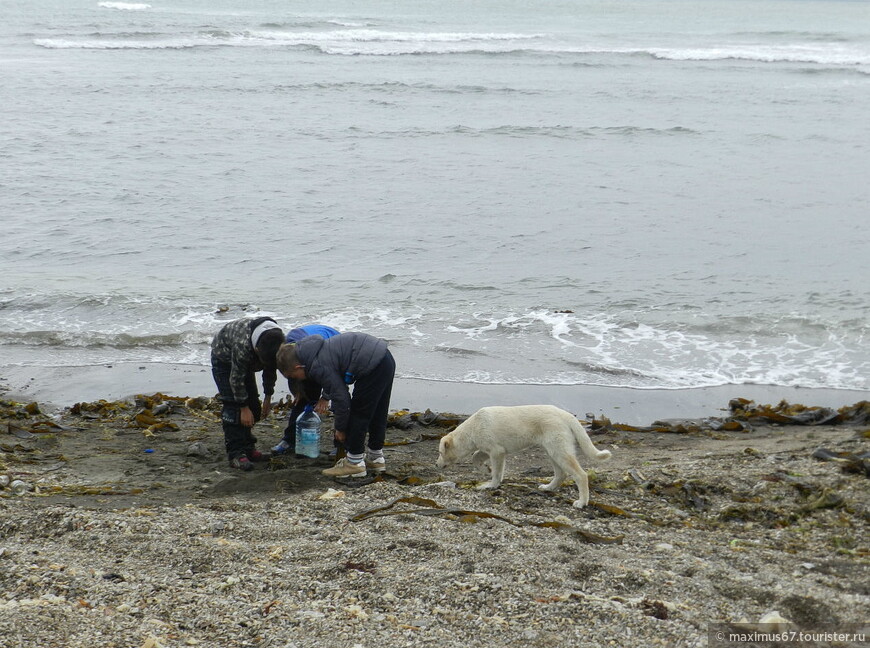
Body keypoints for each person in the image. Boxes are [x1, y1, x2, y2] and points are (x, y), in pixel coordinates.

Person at [276, 332, 395, 478]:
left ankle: (354, 463)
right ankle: (375, 458)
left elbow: (342, 399)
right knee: (378, 412)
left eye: (293, 377)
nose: (297, 380)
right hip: (385, 357)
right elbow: (333, 381)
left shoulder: (316, 365)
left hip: (371, 364)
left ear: (298, 367)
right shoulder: (314, 351)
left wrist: (340, 428)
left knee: (359, 413)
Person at [210, 317, 284, 470]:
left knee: (254, 408)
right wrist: (243, 408)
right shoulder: (242, 346)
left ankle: (249, 448)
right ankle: (236, 454)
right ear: (257, 350)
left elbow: (271, 369)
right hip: (224, 360)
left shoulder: (276, 340)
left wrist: (268, 397)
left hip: (246, 362)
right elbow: (236, 379)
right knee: (234, 409)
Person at [272, 324, 340, 455]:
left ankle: (340, 445)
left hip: (333, 356)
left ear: (298, 367)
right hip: (305, 361)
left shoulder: (320, 356)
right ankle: (289, 440)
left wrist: (325, 397)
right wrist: (297, 391)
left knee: (339, 401)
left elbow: (334, 375)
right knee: (304, 401)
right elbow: (290, 374)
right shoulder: (286, 353)